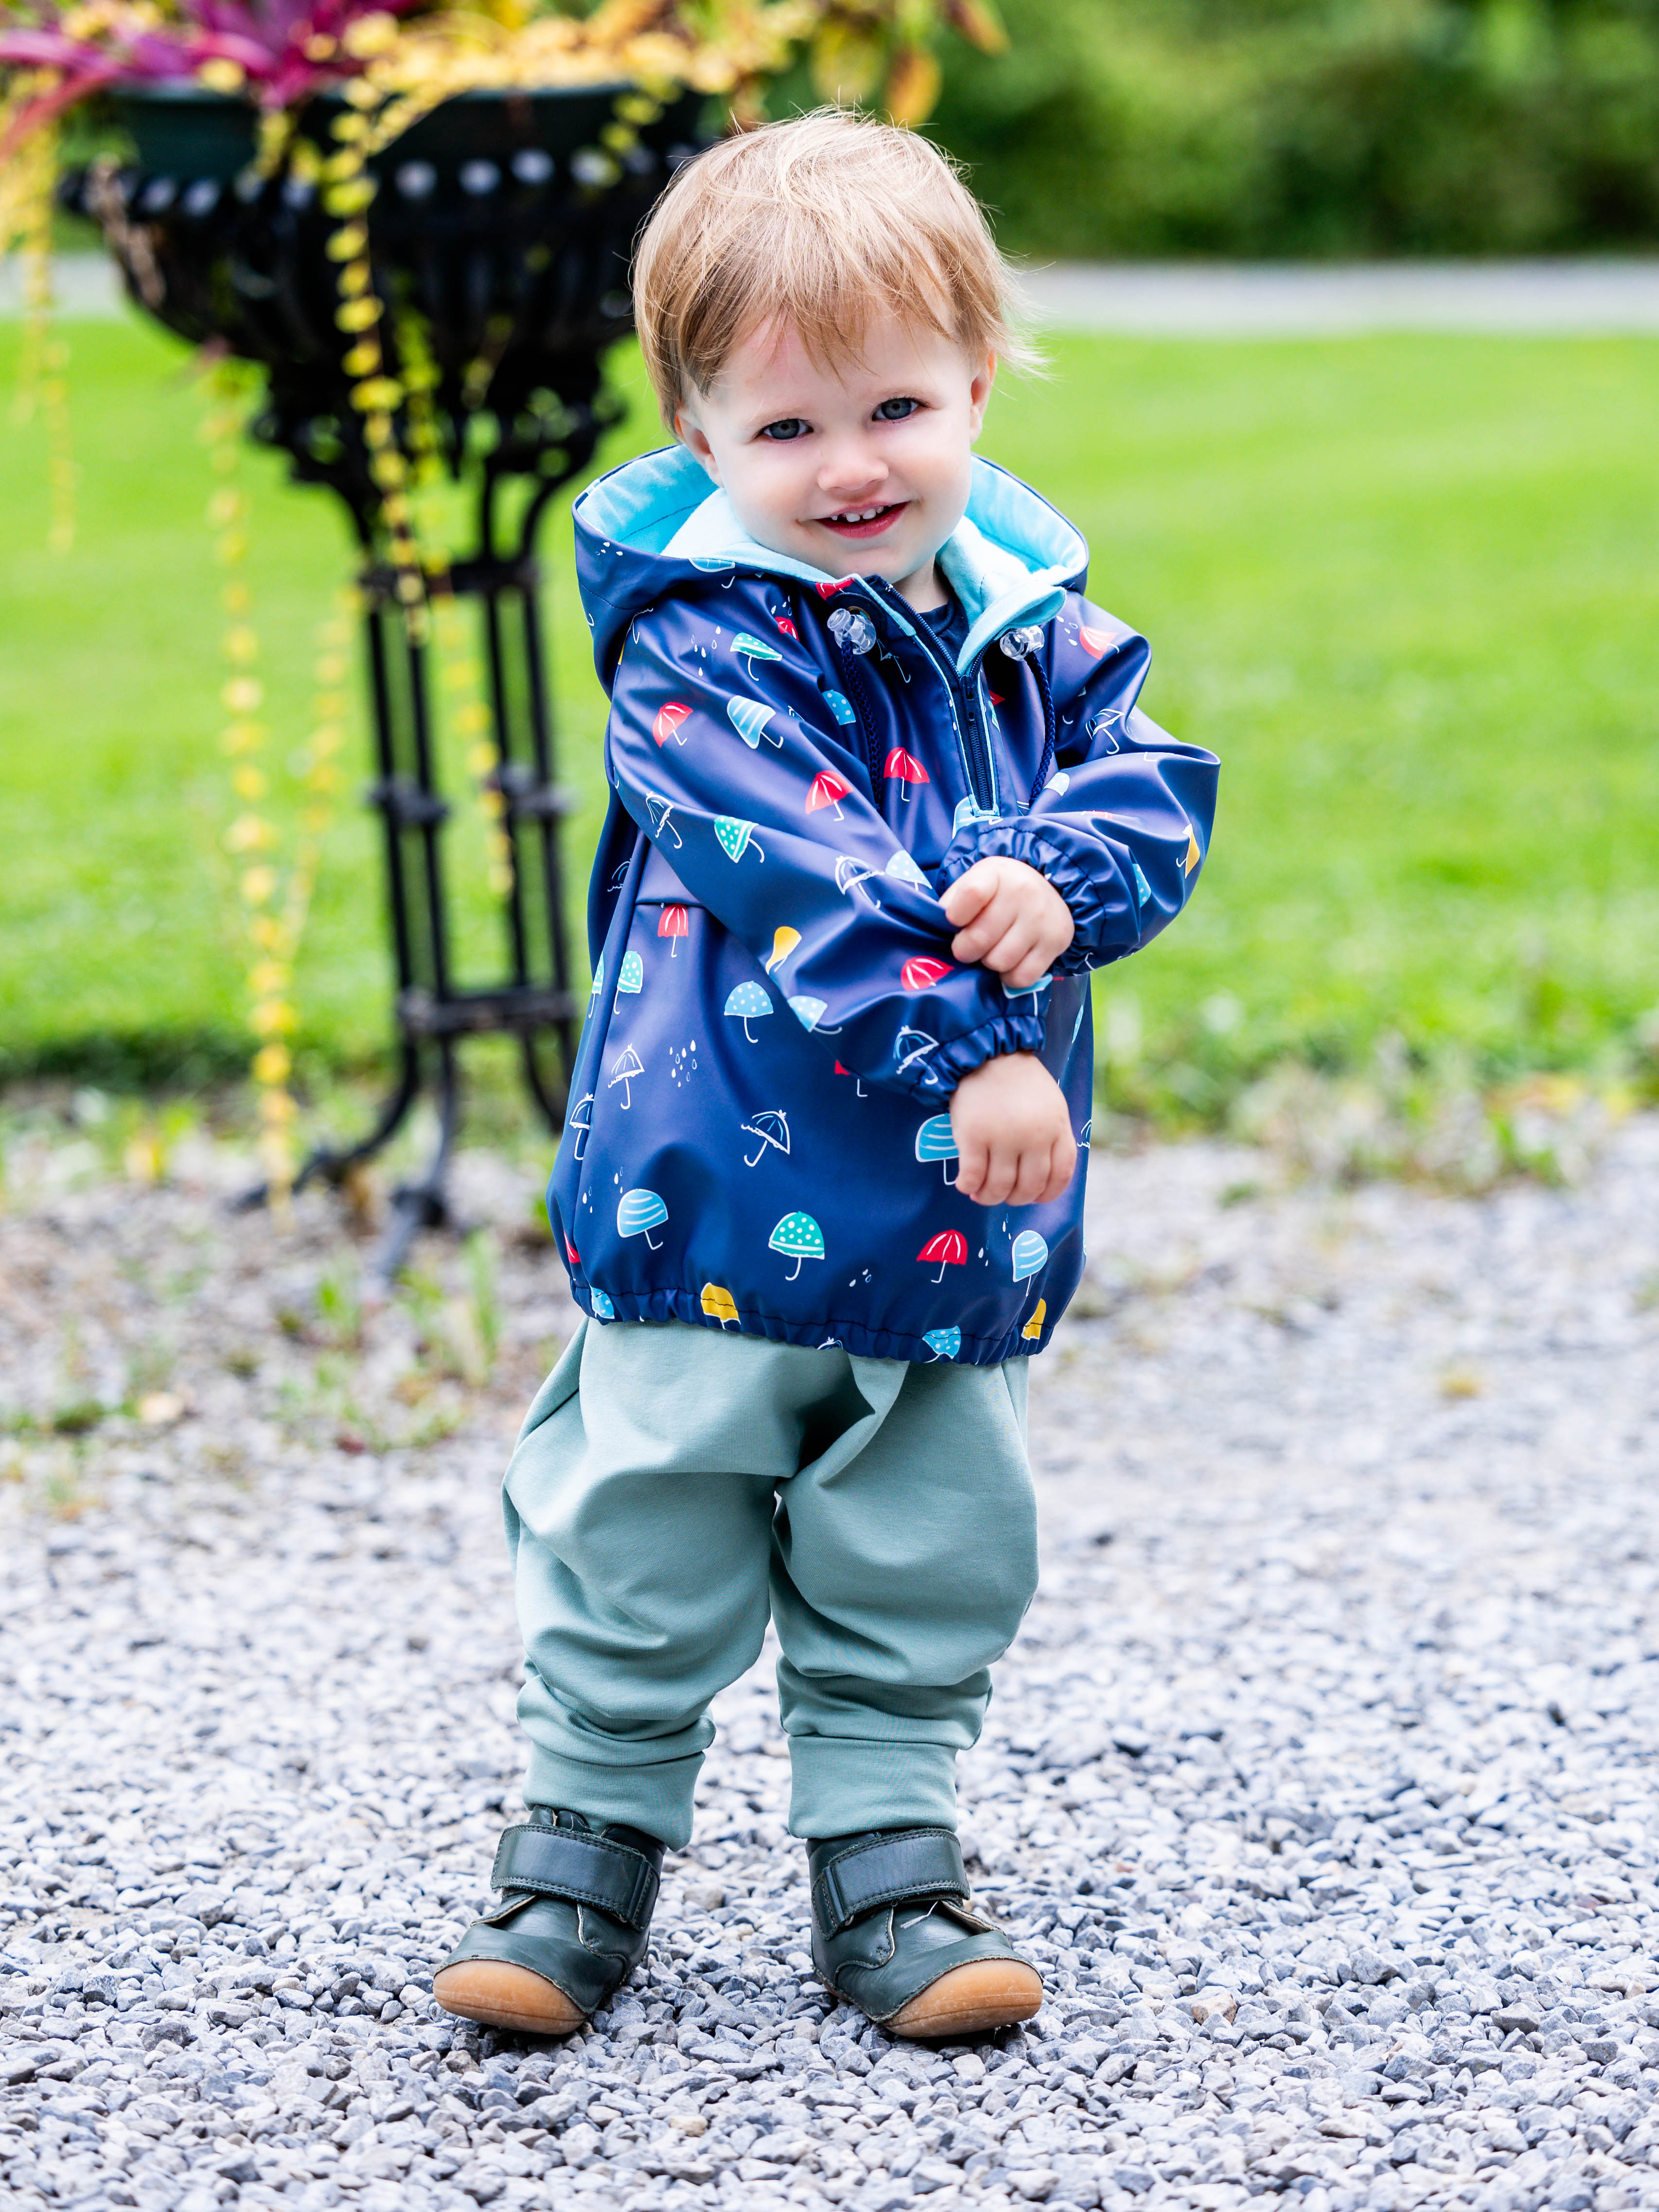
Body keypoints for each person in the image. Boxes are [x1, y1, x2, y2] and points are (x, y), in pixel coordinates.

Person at [433, 109, 1218, 2043]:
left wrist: (1068, 876)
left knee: (924, 1529)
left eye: (892, 407)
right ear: (698, 438)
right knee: (648, 1506)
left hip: (953, 1211)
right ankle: (578, 1857)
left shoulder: (1031, 625)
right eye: (784, 430)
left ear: (975, 384)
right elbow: (803, 864)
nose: (849, 467)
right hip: (706, 1182)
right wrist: (974, 1044)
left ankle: (891, 1863)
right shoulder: (696, 647)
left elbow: (1153, 777)